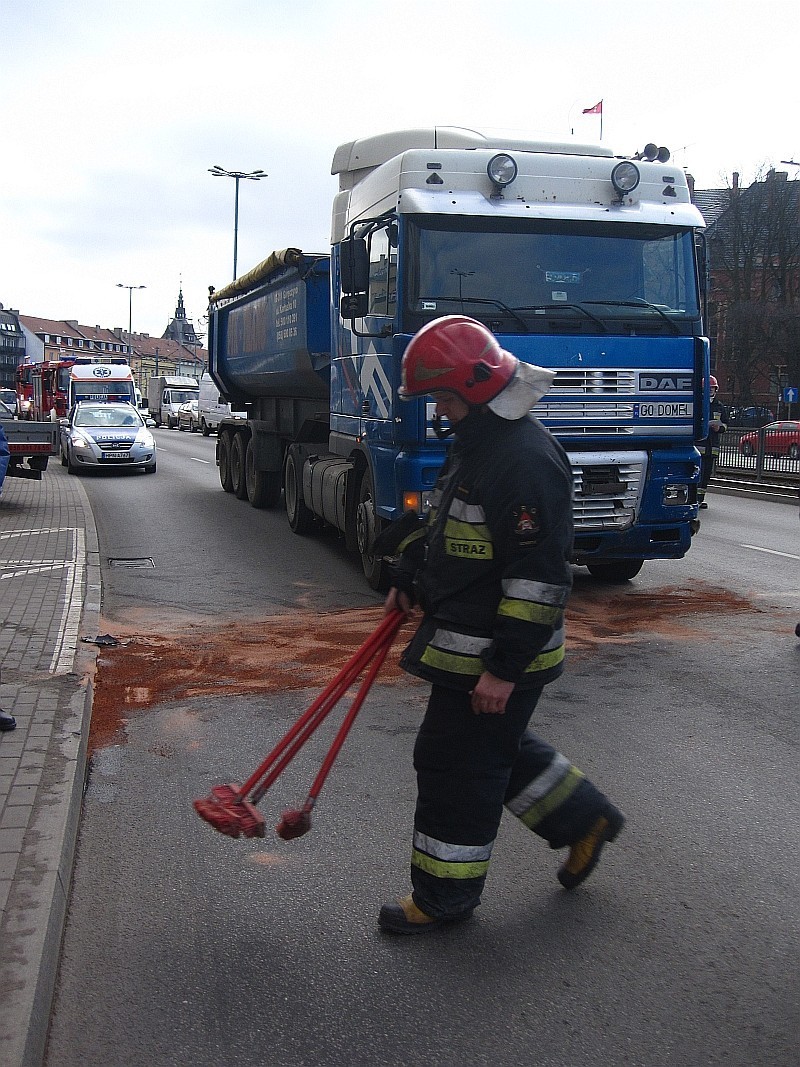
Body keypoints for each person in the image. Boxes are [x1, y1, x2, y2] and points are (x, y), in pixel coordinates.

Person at [379, 315, 624, 935]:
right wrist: (410, 572)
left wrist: (503, 670)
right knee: (489, 751)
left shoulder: (522, 460)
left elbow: (540, 576)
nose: (439, 409)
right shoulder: (483, 446)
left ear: (475, 389)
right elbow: (450, 533)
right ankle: (583, 818)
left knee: (455, 768)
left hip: (495, 653)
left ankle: (443, 901)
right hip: (472, 646)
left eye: (442, 397)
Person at [697, 375, 729, 509]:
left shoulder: (719, 406)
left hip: (711, 448)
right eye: (708, 388)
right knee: (697, 475)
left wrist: (719, 427)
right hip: (699, 448)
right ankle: (693, 499)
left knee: (705, 477)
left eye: (713, 388)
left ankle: (700, 499)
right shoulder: (698, 404)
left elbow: (726, 424)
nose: (711, 391)